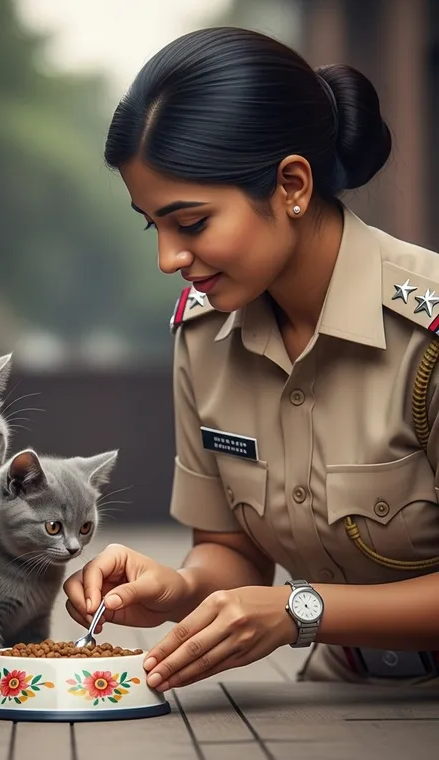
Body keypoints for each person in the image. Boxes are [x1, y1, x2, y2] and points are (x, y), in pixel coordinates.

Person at [64, 26, 439, 689]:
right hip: (337, 699)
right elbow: (233, 553)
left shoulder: (426, 335)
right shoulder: (203, 336)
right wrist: (175, 589)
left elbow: (289, 606)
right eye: (155, 225)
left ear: (292, 185)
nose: (169, 260)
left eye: (193, 222)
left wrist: (302, 610)